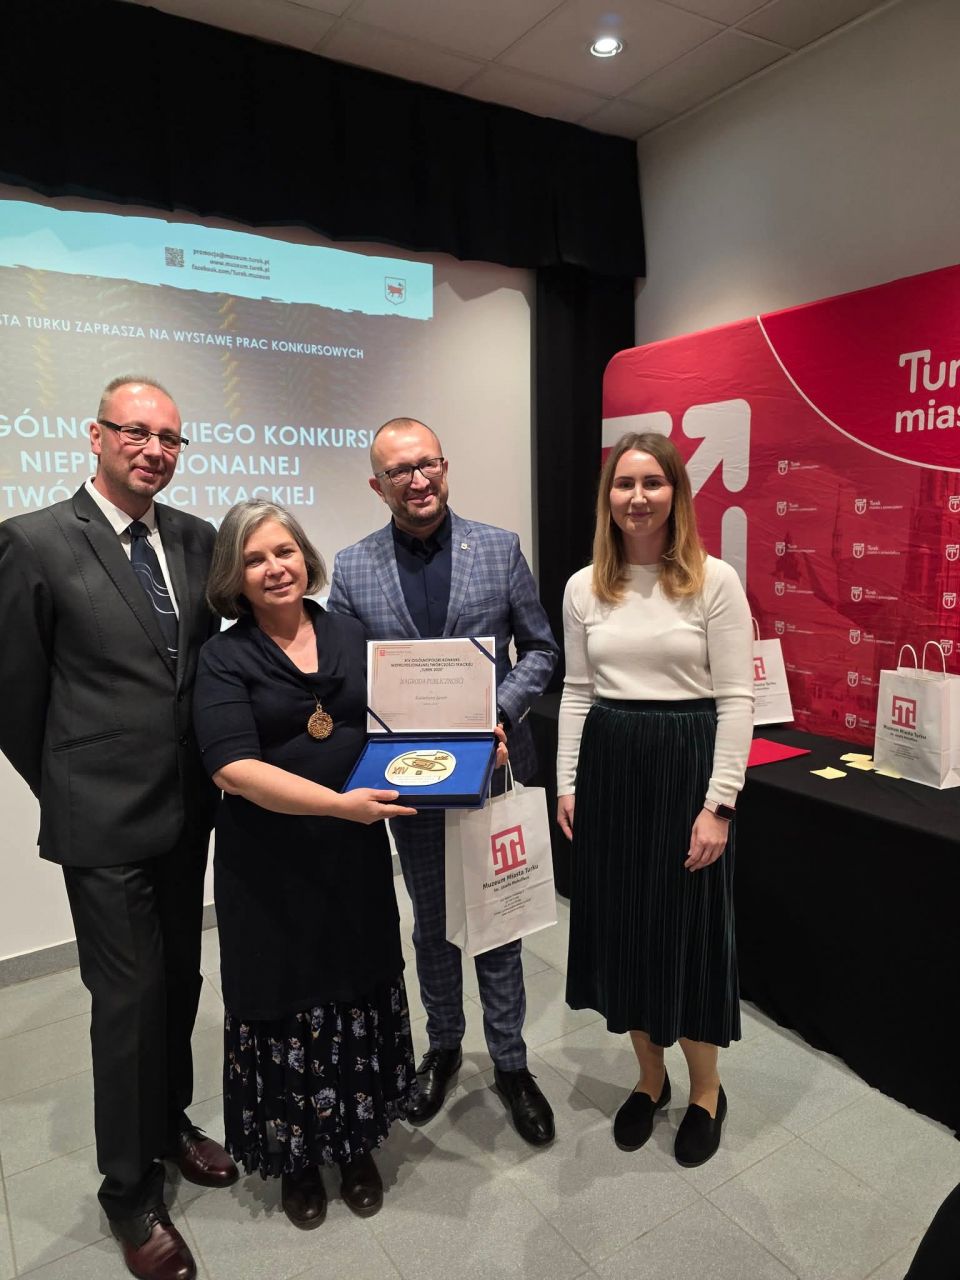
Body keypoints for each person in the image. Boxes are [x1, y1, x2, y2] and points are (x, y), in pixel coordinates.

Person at [0, 376, 237, 1280]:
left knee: (178, 980)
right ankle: (128, 1190)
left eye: (170, 438)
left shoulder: (197, 538)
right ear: (95, 436)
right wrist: (71, 785)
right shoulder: (34, 541)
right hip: (101, 821)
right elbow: (15, 696)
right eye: (136, 432)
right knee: (128, 1002)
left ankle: (169, 1124)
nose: (154, 450)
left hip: (188, 810)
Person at [194, 500, 447, 1226]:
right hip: (268, 867)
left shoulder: (351, 635)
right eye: (254, 559)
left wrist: (466, 746)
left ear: (305, 557)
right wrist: (338, 805)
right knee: (285, 1000)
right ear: (234, 577)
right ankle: (298, 1160)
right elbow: (233, 768)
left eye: (284, 552)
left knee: (356, 987)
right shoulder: (224, 657)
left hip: (352, 858)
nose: (274, 568)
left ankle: (357, 1143)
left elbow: (404, 726)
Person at [326, 417, 560, 1146]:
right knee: (431, 923)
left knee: (498, 919)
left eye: (427, 464)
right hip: (412, 780)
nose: (417, 480)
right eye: (399, 470)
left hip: (493, 770)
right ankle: (444, 1046)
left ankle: (512, 1062)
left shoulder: (499, 548)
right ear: (378, 485)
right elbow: (347, 676)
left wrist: (499, 711)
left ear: (445, 467)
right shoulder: (352, 566)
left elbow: (541, 651)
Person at [556, 431, 753, 1168]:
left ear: (676, 493)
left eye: (652, 483)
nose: (636, 497)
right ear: (607, 497)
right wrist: (568, 782)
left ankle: (706, 1090)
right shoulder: (584, 586)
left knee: (687, 934)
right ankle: (649, 1079)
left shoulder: (714, 580)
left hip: (685, 772)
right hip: (610, 771)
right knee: (625, 931)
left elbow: (737, 701)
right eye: (623, 484)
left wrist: (719, 805)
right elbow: (578, 691)